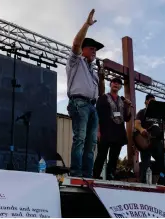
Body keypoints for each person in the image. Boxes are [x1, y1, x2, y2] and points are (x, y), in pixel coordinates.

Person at [66, 9, 104, 178]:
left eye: (96, 49)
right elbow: (75, 43)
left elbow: (98, 92)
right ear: (83, 50)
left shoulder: (93, 71)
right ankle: (76, 172)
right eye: (91, 48)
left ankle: (87, 174)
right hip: (79, 103)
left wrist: (101, 79)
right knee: (80, 139)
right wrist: (87, 25)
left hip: (91, 106)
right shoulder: (75, 61)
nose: (94, 51)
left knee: (91, 142)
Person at [93, 77, 132, 180]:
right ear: (110, 84)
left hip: (118, 132)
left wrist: (128, 106)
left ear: (120, 87)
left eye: (119, 83)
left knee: (114, 156)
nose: (116, 84)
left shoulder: (122, 100)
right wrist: (98, 131)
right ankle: (96, 175)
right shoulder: (103, 98)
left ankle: (111, 174)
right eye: (114, 82)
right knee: (102, 155)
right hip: (106, 131)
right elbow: (97, 115)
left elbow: (127, 118)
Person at [134, 94, 165, 183]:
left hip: (157, 141)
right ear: (146, 102)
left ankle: (162, 180)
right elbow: (136, 124)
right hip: (146, 140)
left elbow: (162, 127)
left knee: (162, 161)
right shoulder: (142, 112)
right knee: (146, 161)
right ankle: (144, 181)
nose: (153, 103)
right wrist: (141, 130)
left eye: (154, 101)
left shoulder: (158, 115)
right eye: (151, 101)